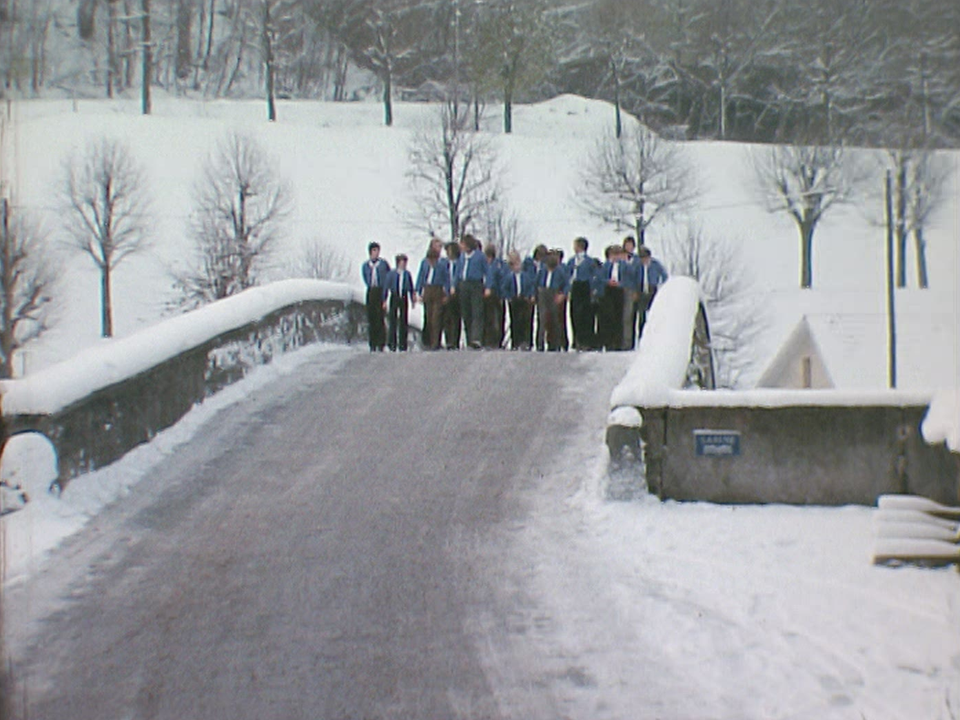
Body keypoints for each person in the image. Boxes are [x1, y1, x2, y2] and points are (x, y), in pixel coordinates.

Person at [453, 234, 488, 349]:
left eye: (462, 244)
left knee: (477, 312)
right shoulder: (462, 257)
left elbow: (487, 272)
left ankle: (476, 338)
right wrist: (454, 285)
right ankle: (469, 338)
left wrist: (488, 286)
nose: (461, 246)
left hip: (475, 285)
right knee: (466, 312)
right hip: (463, 285)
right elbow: (458, 271)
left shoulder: (480, 256)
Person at [596, 244, 630, 351]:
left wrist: (620, 284)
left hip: (620, 290)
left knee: (619, 315)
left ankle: (618, 342)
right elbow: (600, 278)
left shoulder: (625, 266)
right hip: (608, 291)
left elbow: (628, 278)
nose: (615, 257)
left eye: (617, 254)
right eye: (613, 255)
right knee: (608, 315)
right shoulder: (606, 266)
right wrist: (608, 282)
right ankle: (608, 342)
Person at [566, 236, 598, 350]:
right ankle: (576, 340)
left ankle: (586, 341)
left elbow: (594, 275)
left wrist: (593, 289)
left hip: (585, 287)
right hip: (575, 287)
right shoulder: (571, 261)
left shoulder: (589, 261)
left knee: (585, 314)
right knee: (574, 314)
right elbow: (567, 275)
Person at [415, 246, 450, 350]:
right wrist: (418, 291)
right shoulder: (424, 263)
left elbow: (447, 279)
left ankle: (436, 342)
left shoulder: (442, 265)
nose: (431, 262)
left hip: (437, 290)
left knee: (436, 317)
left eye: (433, 260)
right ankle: (429, 342)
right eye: (430, 260)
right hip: (427, 289)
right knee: (428, 317)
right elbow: (420, 276)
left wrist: (447, 293)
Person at [500, 251, 536, 350]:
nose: (516, 266)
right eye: (514, 264)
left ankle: (526, 342)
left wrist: (530, 295)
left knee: (525, 321)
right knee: (514, 321)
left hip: (524, 299)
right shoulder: (509, 277)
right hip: (514, 300)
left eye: (518, 264)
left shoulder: (526, 276)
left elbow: (530, 286)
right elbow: (504, 288)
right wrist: (509, 297)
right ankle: (515, 342)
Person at [536, 250, 570, 352]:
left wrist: (562, 295)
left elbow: (567, 284)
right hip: (543, 293)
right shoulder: (542, 271)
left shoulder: (560, 271)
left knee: (555, 320)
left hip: (554, 293)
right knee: (542, 319)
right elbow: (536, 282)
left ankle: (555, 344)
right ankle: (540, 344)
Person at [361, 242, 390, 351]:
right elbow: (365, 277)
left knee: (380, 318)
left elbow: (387, 279)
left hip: (380, 290)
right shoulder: (366, 265)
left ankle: (381, 343)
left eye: (377, 251)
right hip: (371, 291)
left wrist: (384, 297)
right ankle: (372, 343)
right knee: (371, 318)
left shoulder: (383, 264)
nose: (376, 253)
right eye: (374, 251)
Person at [636, 245, 668, 341]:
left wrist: (661, 286)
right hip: (641, 289)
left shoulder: (655, 264)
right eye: (642, 258)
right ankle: (641, 335)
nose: (644, 260)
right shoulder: (638, 266)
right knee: (641, 314)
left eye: (645, 257)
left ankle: (653, 336)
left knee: (653, 313)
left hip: (652, 289)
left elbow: (664, 275)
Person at [385, 254, 415, 352]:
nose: (403, 265)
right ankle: (392, 343)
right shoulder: (391, 274)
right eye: (402, 262)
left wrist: (412, 298)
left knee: (403, 320)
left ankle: (403, 344)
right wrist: (384, 299)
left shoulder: (407, 274)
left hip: (403, 296)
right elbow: (386, 286)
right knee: (393, 320)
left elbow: (411, 287)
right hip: (394, 296)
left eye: (405, 262)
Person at [483, 243, 506, 349]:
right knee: (487, 318)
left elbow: (501, 279)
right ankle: (487, 340)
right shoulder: (484, 265)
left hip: (496, 294)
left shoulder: (497, 265)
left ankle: (496, 341)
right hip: (484, 295)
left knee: (496, 318)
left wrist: (501, 294)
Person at [621, 235, 642, 350]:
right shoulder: (620, 258)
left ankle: (629, 342)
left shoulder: (637, 260)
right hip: (619, 289)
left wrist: (636, 291)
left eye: (630, 245)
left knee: (629, 316)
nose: (628, 247)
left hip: (631, 289)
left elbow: (638, 275)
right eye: (626, 245)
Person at [443, 242, 462, 349]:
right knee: (446, 317)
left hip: (457, 293)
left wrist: (455, 287)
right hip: (446, 292)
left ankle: (455, 340)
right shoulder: (444, 263)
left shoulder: (459, 263)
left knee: (455, 316)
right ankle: (448, 340)